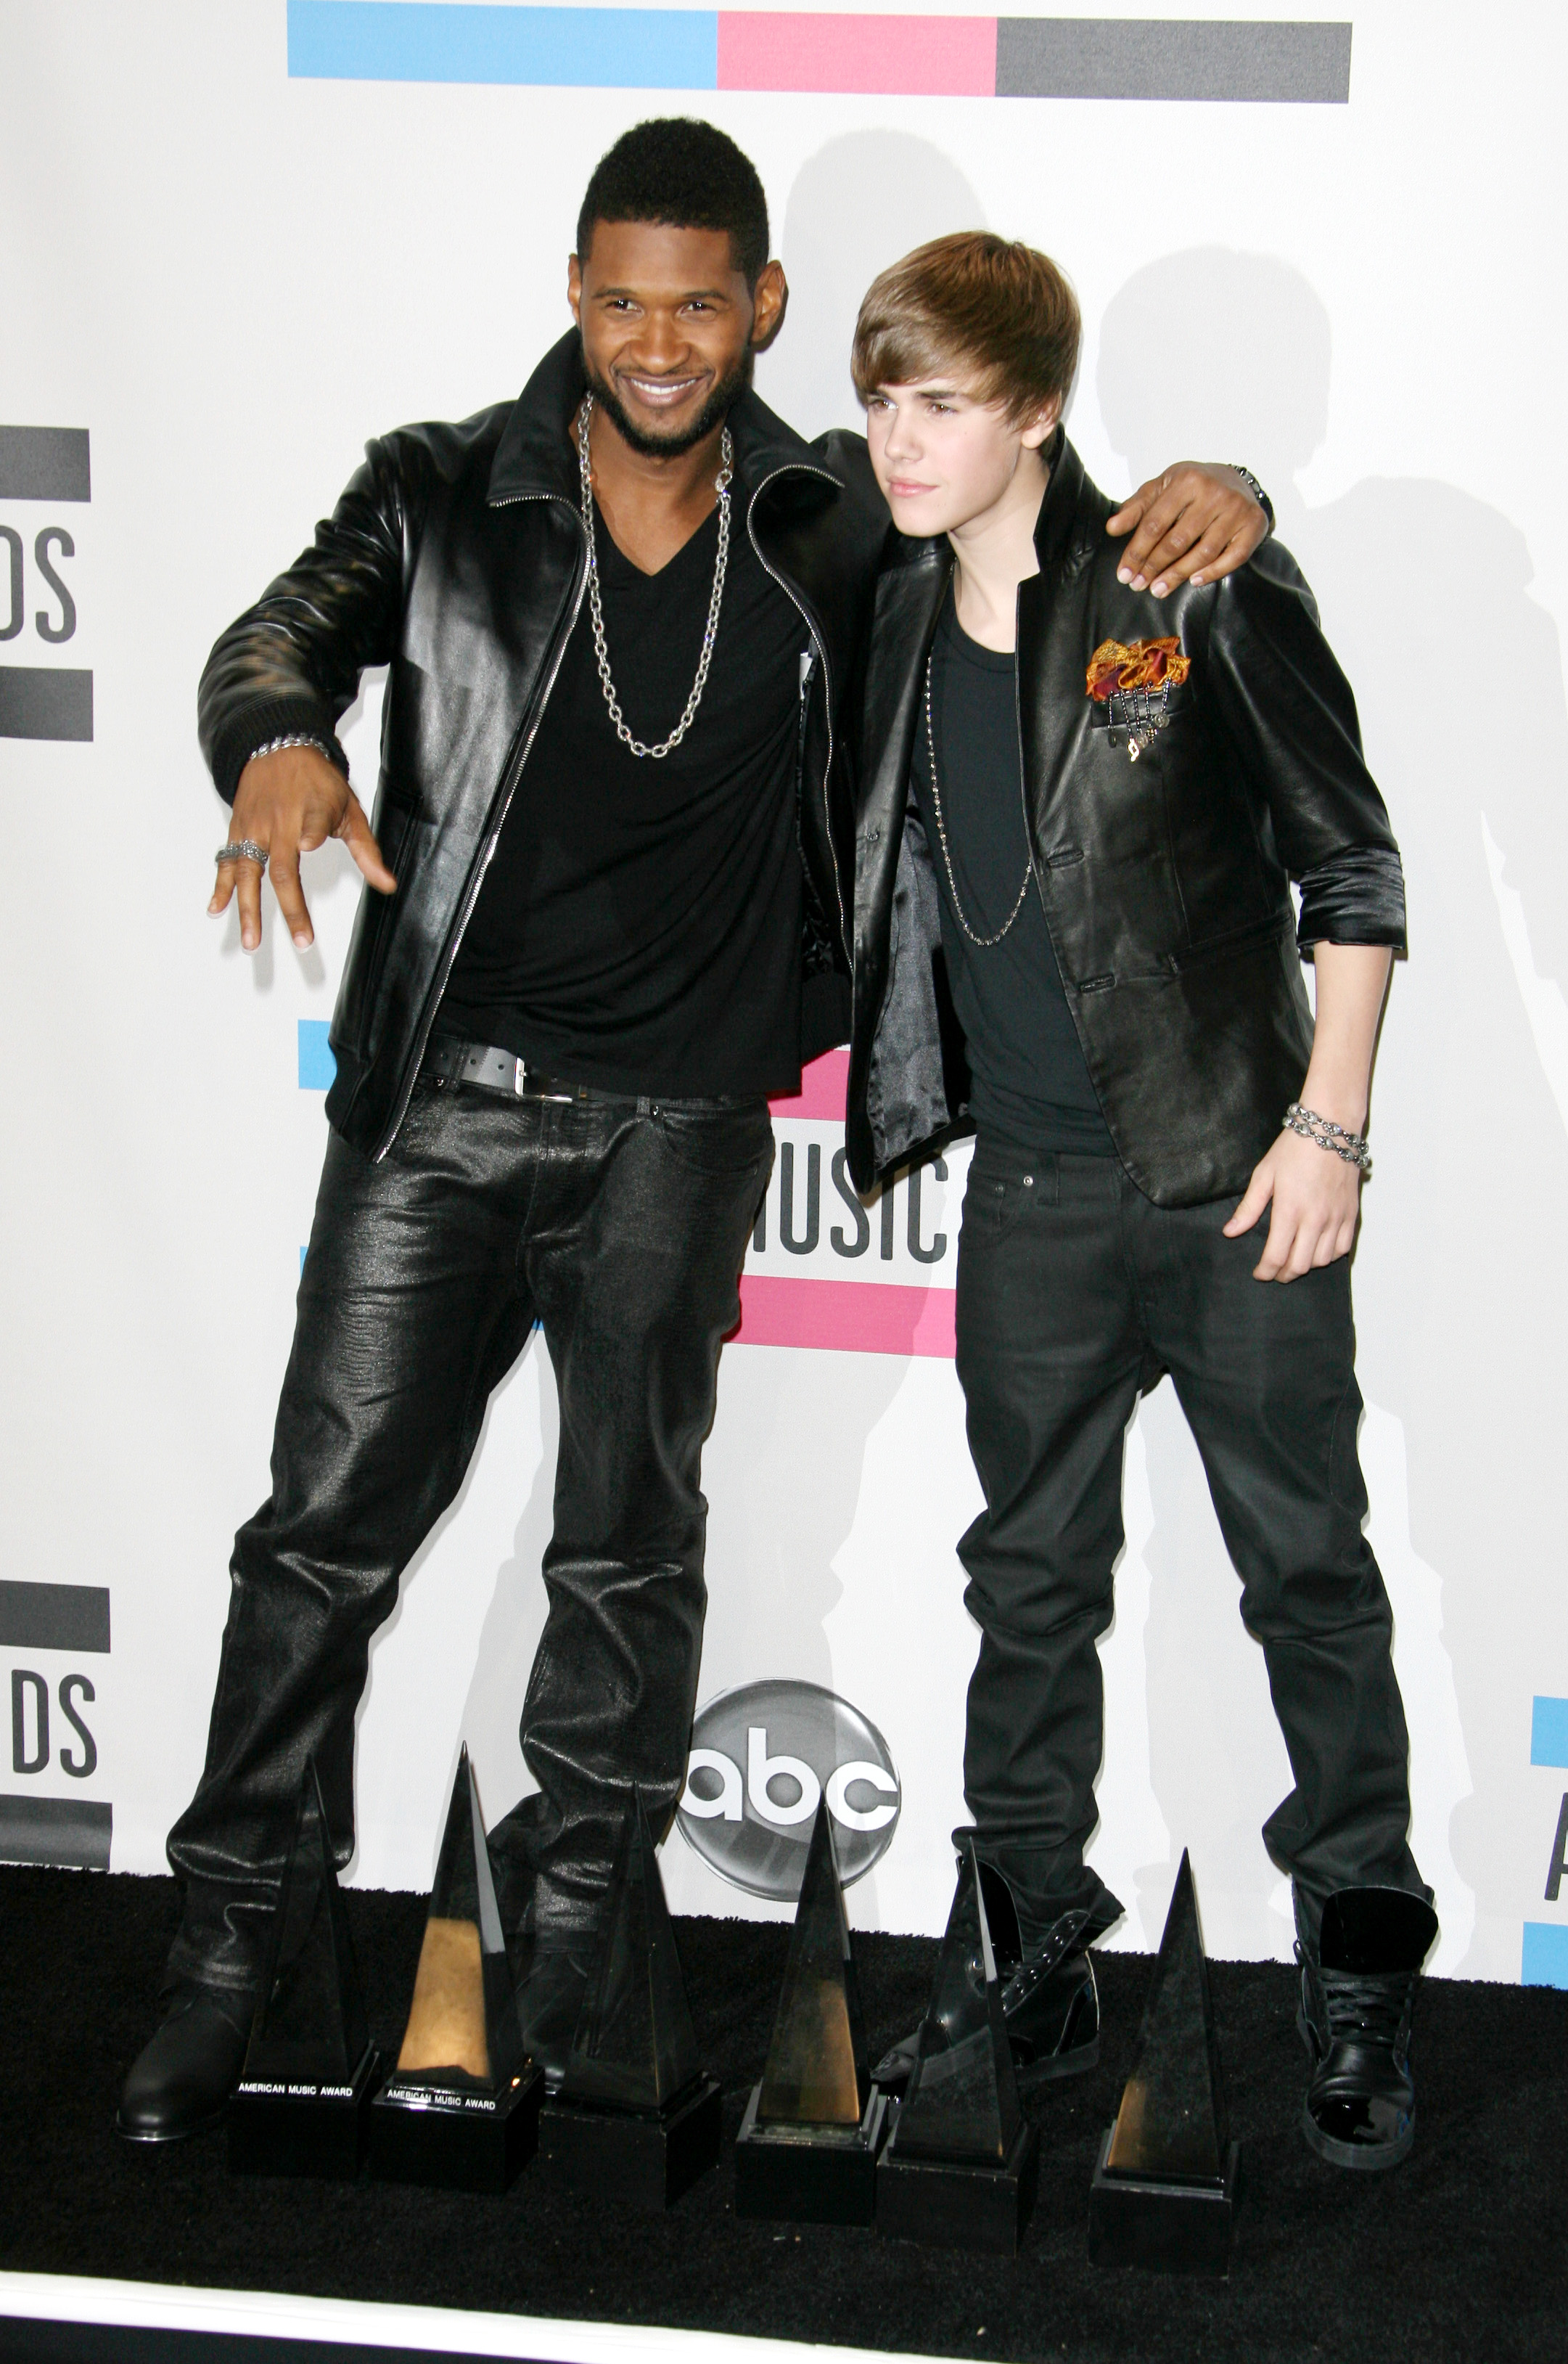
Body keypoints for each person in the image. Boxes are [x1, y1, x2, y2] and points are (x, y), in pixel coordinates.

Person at [119, 121, 1269, 2142]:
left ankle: (581, 1922)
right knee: (317, 1540)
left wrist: (1227, 491)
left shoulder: (831, 520)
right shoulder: (438, 489)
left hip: (679, 1125)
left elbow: (1028, 521)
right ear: (576, 297)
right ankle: (229, 1936)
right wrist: (284, 737)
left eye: (698, 301)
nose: (658, 341)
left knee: (628, 1548)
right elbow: (271, 636)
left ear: (761, 311)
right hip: (439, 1113)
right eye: (620, 300)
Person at [843, 232, 1437, 2171]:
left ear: (1034, 405)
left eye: (937, 400)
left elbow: (1349, 873)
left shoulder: (1190, 579)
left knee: (1309, 1582)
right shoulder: (884, 615)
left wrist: (1324, 1133)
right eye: (877, 396)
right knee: (1022, 1589)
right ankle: (1027, 1944)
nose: (896, 437)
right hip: (1023, 1190)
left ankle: (1356, 1958)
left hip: (1231, 1181)